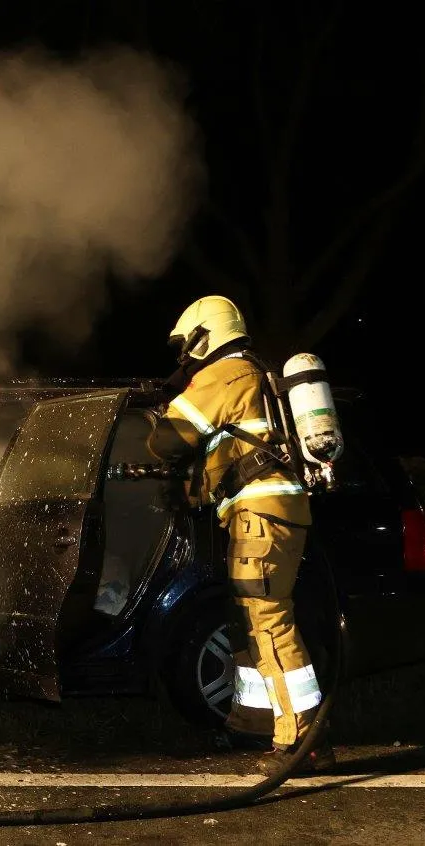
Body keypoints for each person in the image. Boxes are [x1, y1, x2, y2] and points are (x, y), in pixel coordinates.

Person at [145, 294, 335, 775]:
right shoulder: (255, 375)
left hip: (261, 513)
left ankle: (306, 740)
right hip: (266, 510)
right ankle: (255, 719)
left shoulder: (225, 375)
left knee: (267, 617)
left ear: (203, 335)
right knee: (246, 618)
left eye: (186, 346)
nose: (184, 356)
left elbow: (168, 439)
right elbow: (227, 456)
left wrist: (162, 409)